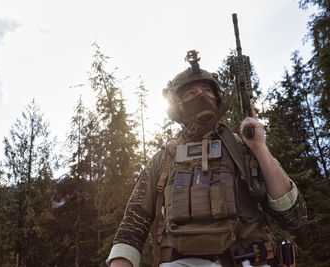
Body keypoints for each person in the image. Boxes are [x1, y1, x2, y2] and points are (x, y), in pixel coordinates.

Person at [106, 51, 307, 267]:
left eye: (207, 90)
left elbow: (293, 216)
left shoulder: (244, 148)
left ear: (218, 98)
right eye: (190, 92)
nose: (201, 95)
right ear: (178, 105)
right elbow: (132, 225)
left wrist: (260, 148)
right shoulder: (163, 160)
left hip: (249, 260)